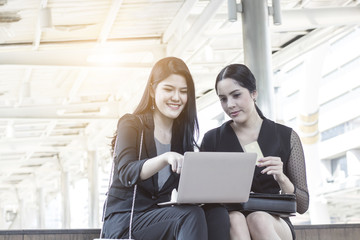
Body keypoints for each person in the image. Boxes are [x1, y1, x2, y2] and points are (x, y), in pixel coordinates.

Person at [102, 57, 230, 240]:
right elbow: (126, 172)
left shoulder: (181, 136)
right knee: (190, 215)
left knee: (216, 213)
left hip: (159, 216)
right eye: (169, 89)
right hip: (126, 220)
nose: (176, 97)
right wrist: (165, 158)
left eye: (183, 91)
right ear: (153, 91)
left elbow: (182, 189)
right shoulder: (131, 124)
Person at [200, 64, 309, 240]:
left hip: (273, 222)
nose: (230, 105)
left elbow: (303, 205)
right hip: (232, 220)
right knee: (235, 219)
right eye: (223, 99)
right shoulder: (212, 139)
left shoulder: (285, 136)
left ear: (253, 93)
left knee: (258, 219)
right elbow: (201, 194)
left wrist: (282, 178)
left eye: (236, 95)